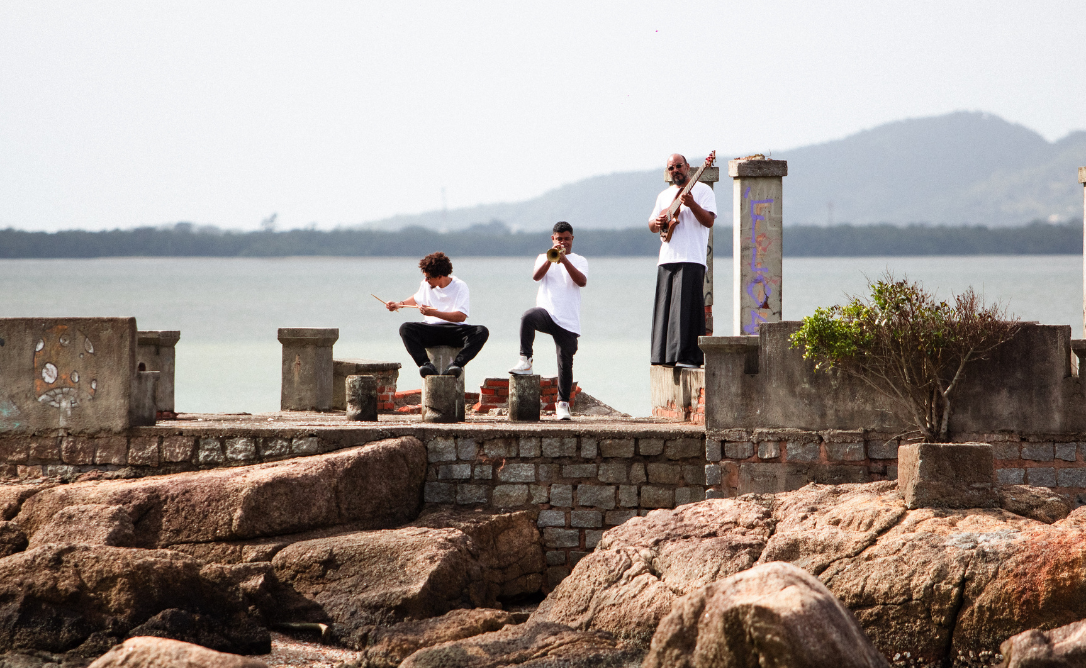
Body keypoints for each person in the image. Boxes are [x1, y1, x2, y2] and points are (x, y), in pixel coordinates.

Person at [508, 221, 588, 421]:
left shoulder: (579, 260)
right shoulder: (543, 257)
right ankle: (525, 360)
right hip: (547, 313)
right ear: (553, 239)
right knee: (528, 317)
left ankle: (562, 405)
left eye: (566, 239)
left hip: (568, 320)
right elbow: (536, 277)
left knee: (565, 363)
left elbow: (581, 281)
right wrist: (550, 259)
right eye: (559, 239)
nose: (563, 242)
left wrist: (564, 261)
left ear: (572, 239)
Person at [647, 153, 717, 367]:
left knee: (687, 309)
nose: (675, 170)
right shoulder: (663, 196)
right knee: (665, 309)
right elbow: (651, 225)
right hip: (667, 257)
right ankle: (663, 356)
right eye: (671, 168)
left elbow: (708, 221)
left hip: (691, 257)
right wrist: (659, 222)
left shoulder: (703, 190)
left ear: (687, 167)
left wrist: (692, 204)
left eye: (679, 166)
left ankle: (688, 357)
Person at [387, 252, 489, 378]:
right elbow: (417, 298)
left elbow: (461, 316)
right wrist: (399, 304)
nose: (426, 280)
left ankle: (456, 365)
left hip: (455, 330)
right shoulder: (426, 284)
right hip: (431, 329)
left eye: (429, 277)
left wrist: (433, 313)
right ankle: (425, 364)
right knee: (406, 328)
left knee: (481, 331)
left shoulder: (460, 286)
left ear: (440, 276)